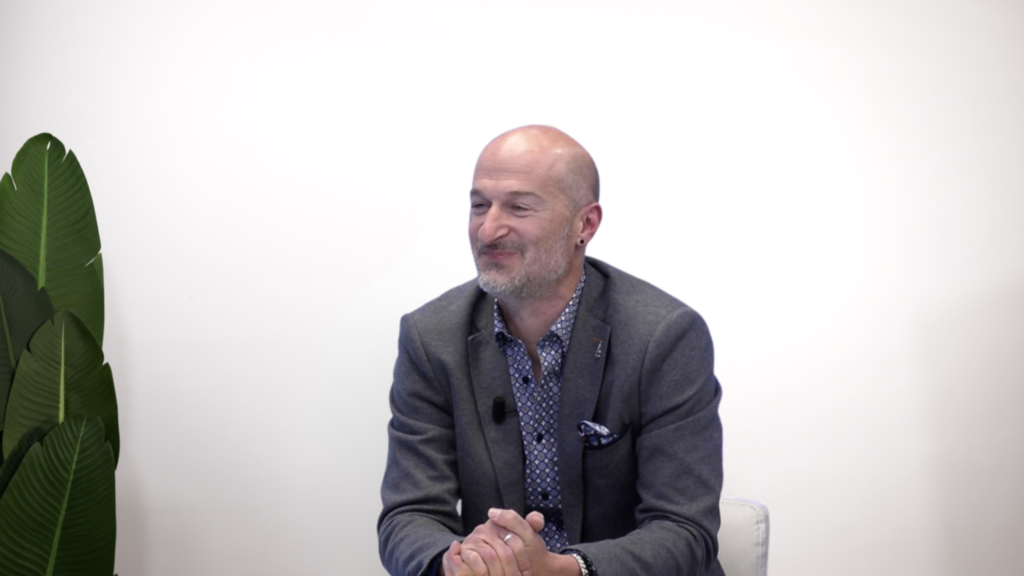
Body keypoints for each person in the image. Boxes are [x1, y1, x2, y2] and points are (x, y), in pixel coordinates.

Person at [378, 125, 725, 576]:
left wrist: (565, 569)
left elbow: (684, 529)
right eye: (479, 205)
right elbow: (409, 515)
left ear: (585, 224)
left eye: (519, 207)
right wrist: (457, 562)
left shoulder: (664, 337)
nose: (488, 229)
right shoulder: (431, 337)